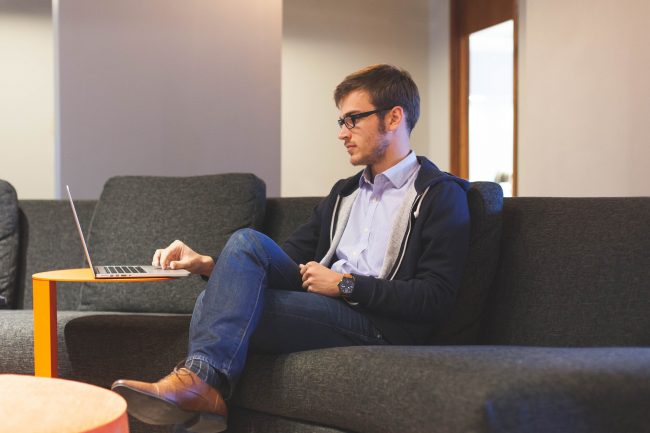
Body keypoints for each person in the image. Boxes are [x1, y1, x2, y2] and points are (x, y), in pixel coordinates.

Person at [111, 64, 471, 433]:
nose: (342, 134)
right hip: (327, 305)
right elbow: (277, 258)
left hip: (382, 324)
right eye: (340, 122)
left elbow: (436, 297)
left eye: (352, 120)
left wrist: (345, 284)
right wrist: (206, 264)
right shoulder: (345, 193)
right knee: (246, 244)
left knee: (215, 305)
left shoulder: (439, 195)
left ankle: (201, 390)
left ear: (394, 117)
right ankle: (202, 392)